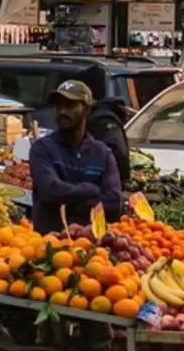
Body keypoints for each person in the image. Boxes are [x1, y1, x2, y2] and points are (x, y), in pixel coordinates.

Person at [29, 80, 124, 235]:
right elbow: (50, 192)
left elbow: (114, 203)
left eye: (69, 106)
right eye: (58, 106)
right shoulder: (42, 149)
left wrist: (68, 203)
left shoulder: (102, 153)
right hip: (51, 247)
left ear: (86, 109)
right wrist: (91, 190)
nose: (62, 112)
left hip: (93, 246)